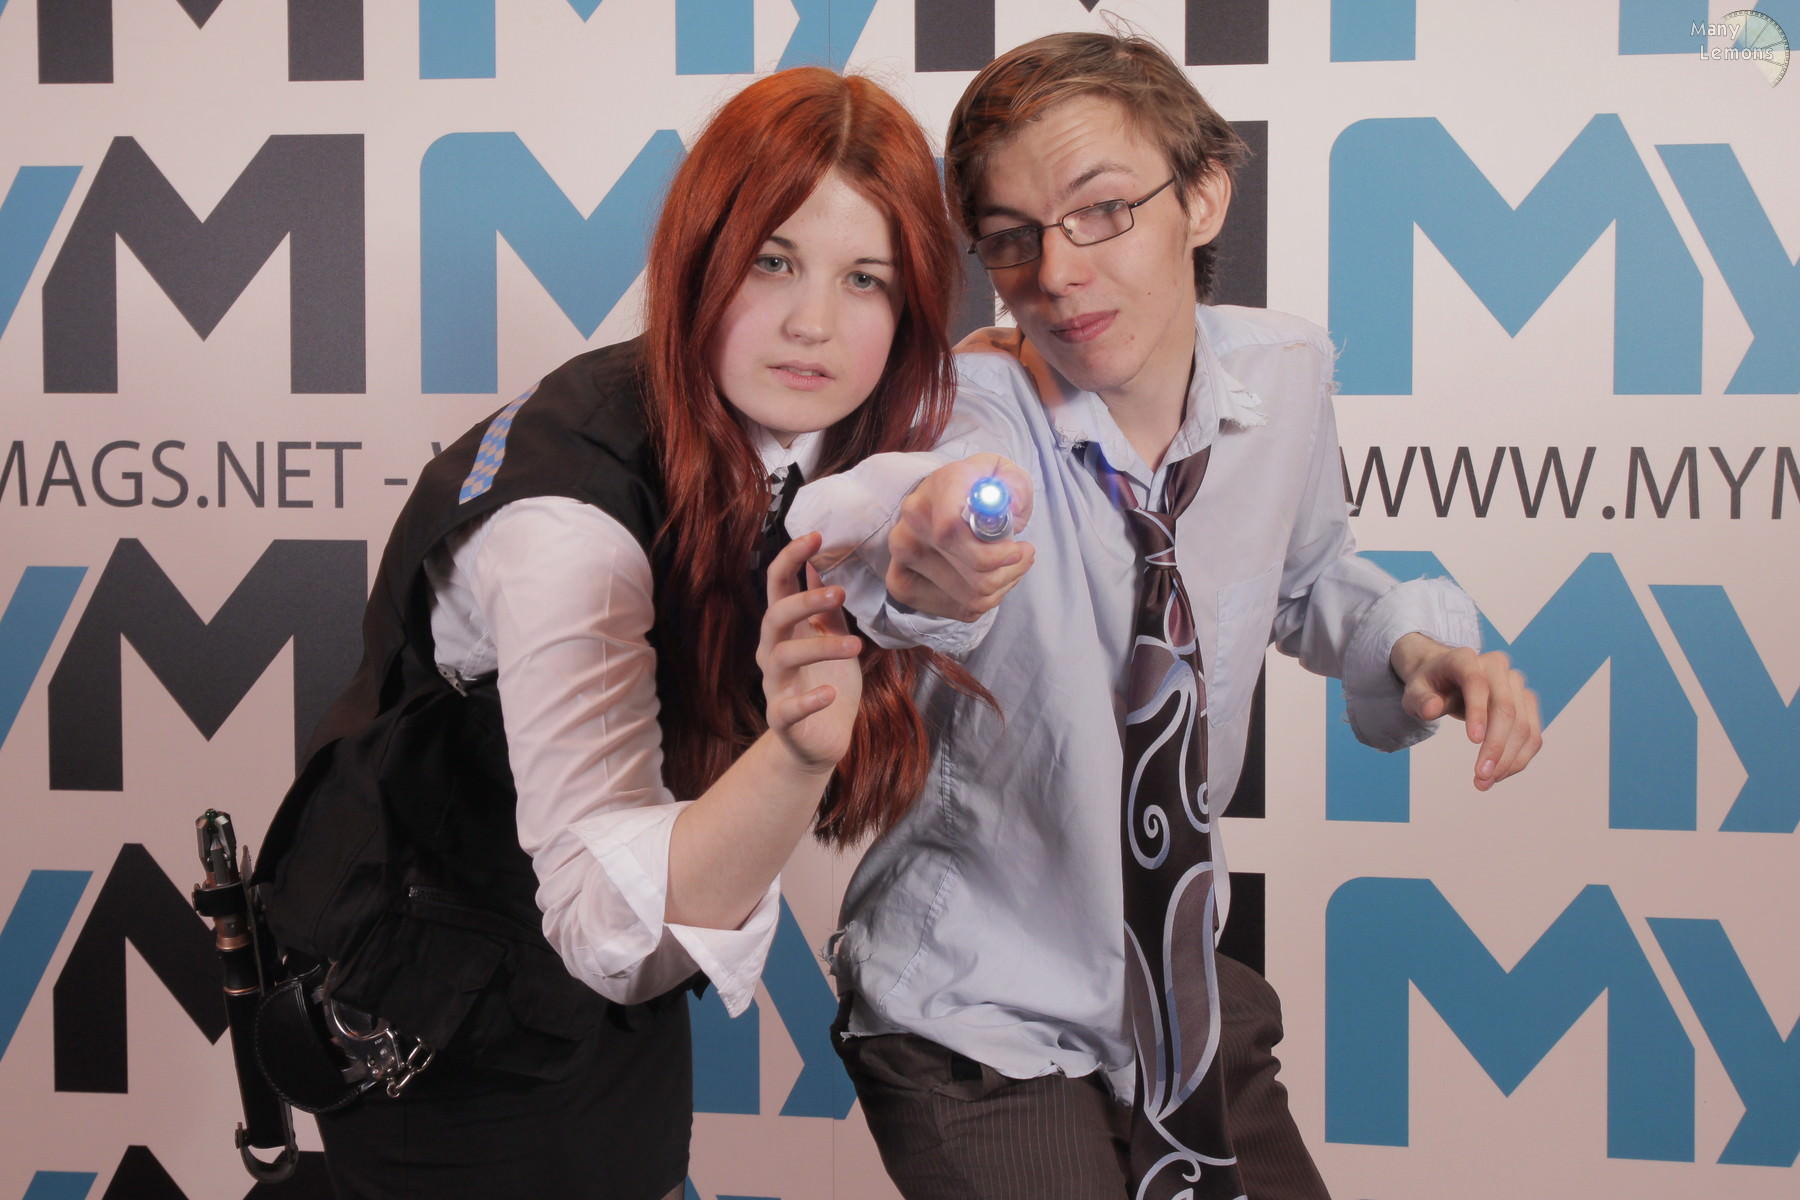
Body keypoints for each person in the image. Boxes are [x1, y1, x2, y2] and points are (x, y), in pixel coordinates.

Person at [788, 31, 1544, 1200]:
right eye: (1012, 237)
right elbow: (896, 524)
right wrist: (916, 557)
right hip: (977, 1012)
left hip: (1171, 990)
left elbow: (1306, 577)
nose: (1057, 273)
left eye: (1101, 211)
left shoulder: (1284, 374)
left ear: (1203, 195)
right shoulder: (969, 409)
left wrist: (1416, 646)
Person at [248, 66, 965, 1200]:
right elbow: (602, 931)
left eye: (865, 279)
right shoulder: (566, 533)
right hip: (435, 1008)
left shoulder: (786, 426)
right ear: (699, 260)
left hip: (601, 978)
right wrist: (792, 755)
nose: (815, 323)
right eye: (772, 261)